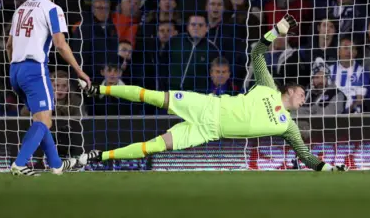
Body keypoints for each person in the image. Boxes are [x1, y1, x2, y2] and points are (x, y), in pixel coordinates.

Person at [77, 15, 347, 172]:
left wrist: (329, 168)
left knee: (154, 147)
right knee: (153, 95)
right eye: (302, 93)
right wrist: (276, 31)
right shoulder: (268, 86)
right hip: (206, 106)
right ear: (290, 89)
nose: (304, 98)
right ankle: (98, 88)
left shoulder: (288, 126)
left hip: (207, 132)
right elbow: (256, 52)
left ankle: (99, 156)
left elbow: (306, 156)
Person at [6, 0, 91, 176]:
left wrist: (15, 67)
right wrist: (79, 71)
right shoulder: (52, 9)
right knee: (44, 121)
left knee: (41, 119)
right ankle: (20, 163)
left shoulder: (21, 8)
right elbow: (60, 44)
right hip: (35, 70)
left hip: (15, 70)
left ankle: (56, 165)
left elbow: (9, 45)